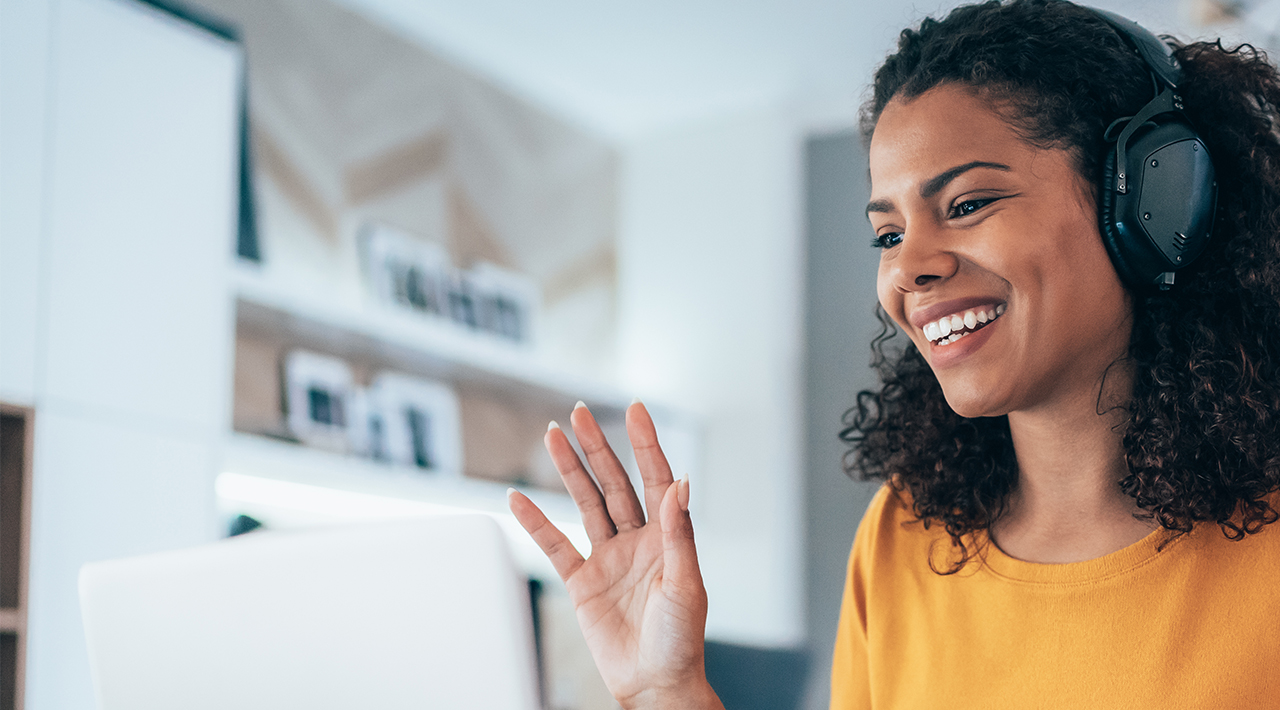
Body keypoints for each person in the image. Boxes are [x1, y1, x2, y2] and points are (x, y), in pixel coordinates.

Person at [508, 1, 1280, 707]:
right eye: (888, 234)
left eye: (968, 205)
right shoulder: (904, 534)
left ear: (1156, 201)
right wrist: (664, 692)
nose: (908, 268)